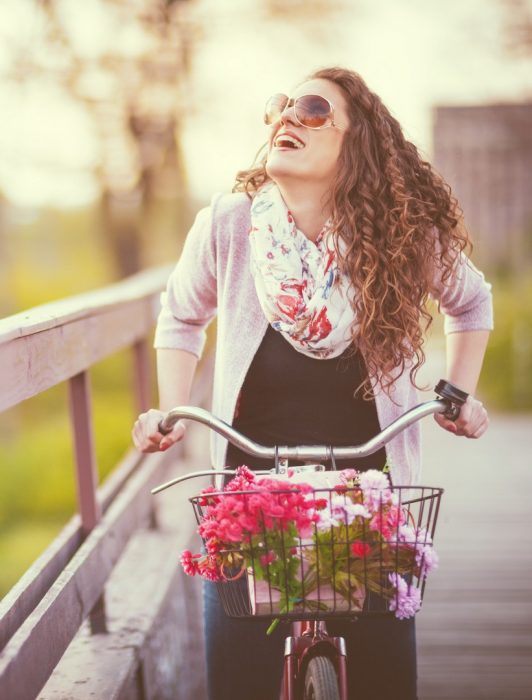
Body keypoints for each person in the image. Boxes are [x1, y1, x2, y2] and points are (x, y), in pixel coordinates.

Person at [131, 67, 493, 700]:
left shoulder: (400, 233)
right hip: (250, 489)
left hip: (370, 491)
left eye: (314, 108)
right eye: (280, 105)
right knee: (237, 681)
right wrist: (171, 408)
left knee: (385, 682)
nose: (287, 117)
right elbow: (182, 315)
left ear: (356, 146)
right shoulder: (229, 224)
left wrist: (458, 395)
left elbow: (472, 301)